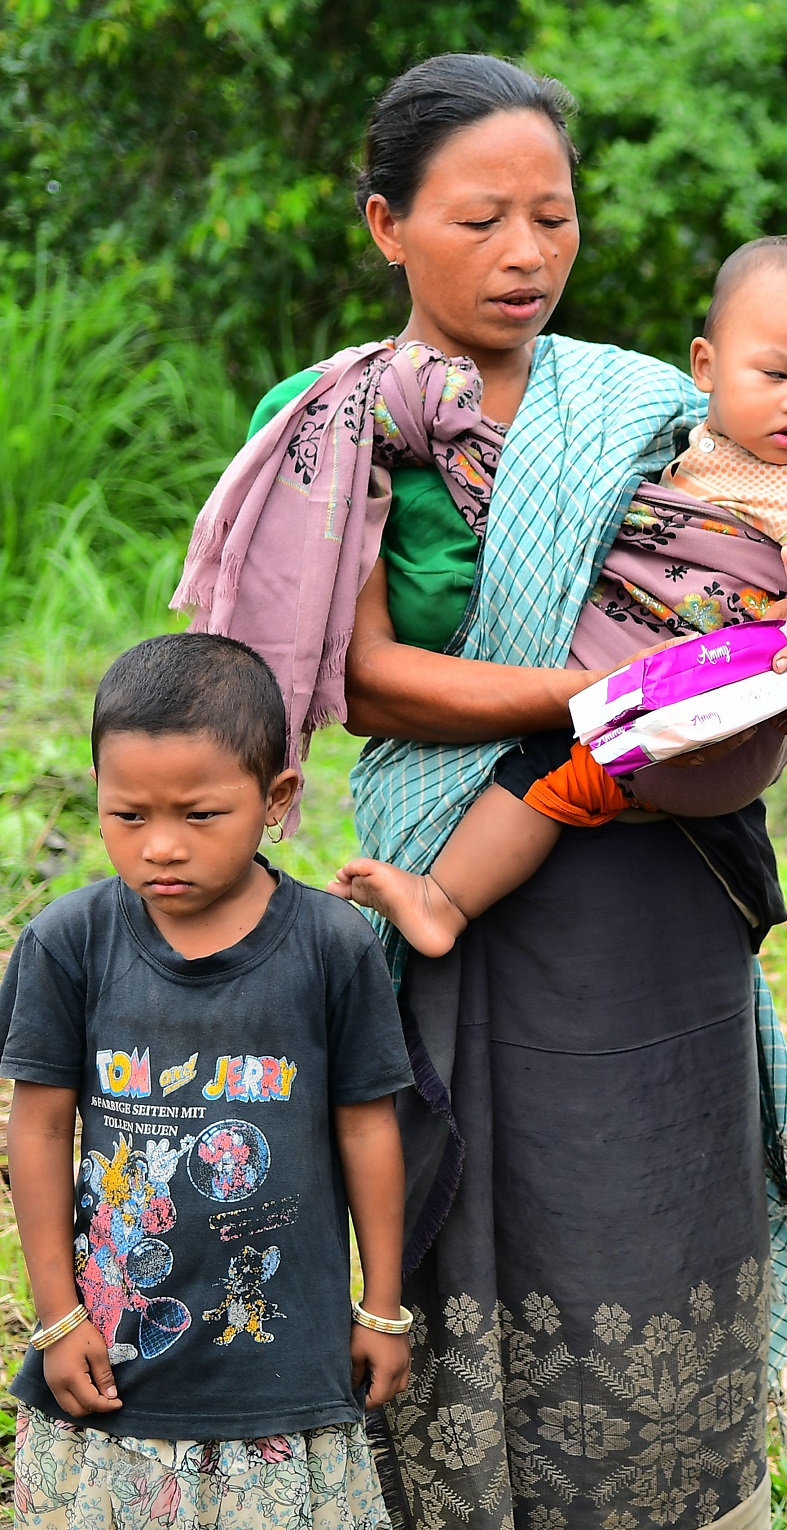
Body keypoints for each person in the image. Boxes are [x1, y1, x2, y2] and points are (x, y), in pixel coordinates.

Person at [176, 53, 787, 1530]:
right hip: (458, 884)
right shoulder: (337, 415)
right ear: (385, 225)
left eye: (554, 215)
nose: (527, 252)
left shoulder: (648, 403)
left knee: (664, 1197)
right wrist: (613, 700)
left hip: (665, 883)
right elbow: (368, 678)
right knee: (486, 1209)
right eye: (482, 218)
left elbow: (757, 572)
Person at [327, 236, 787, 958]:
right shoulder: (664, 441)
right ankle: (448, 896)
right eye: (776, 373)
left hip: (724, 716)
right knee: (563, 772)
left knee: (543, 765)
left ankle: (443, 897)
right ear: (705, 367)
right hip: (655, 723)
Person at [4, 634, 412, 1530]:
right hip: (114, 1364)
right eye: (128, 816)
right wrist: (56, 1317)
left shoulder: (331, 949)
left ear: (276, 800)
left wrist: (381, 1309)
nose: (160, 848)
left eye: (199, 815)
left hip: (280, 1372)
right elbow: (35, 1132)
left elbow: (368, 1130)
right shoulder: (69, 944)